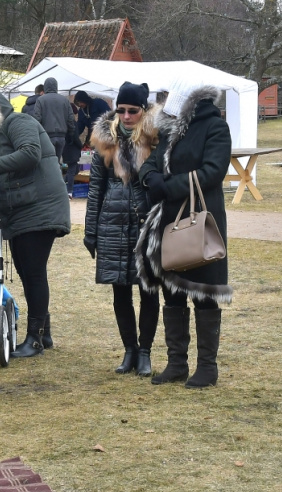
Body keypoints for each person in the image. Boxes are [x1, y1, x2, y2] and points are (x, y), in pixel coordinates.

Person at [137, 76, 233, 388]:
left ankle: (207, 367)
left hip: (201, 220)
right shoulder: (170, 130)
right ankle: (176, 363)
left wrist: (169, 186)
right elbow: (150, 164)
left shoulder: (215, 128)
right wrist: (150, 178)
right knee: (173, 291)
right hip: (169, 221)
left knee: (203, 293)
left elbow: (213, 171)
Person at [0, 89, 72, 357]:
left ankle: (34, 340)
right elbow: (0, 177)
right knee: (26, 272)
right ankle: (43, 333)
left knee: (33, 273)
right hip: (21, 210)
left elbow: (31, 153)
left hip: (39, 207)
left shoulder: (18, 122)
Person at [84, 82, 161, 377]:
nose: (126, 116)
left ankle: (145, 352)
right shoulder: (106, 140)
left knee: (148, 289)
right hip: (112, 222)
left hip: (146, 222)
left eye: (132, 111)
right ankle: (129, 349)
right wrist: (91, 231)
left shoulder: (155, 139)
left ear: (143, 110)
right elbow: (95, 188)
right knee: (120, 290)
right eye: (121, 110)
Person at [33, 77, 75, 161]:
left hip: (46, 136)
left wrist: (36, 135)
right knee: (57, 161)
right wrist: (71, 133)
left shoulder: (40, 100)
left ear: (45, 87)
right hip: (61, 136)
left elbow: (37, 119)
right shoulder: (65, 100)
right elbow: (70, 118)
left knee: (47, 162)